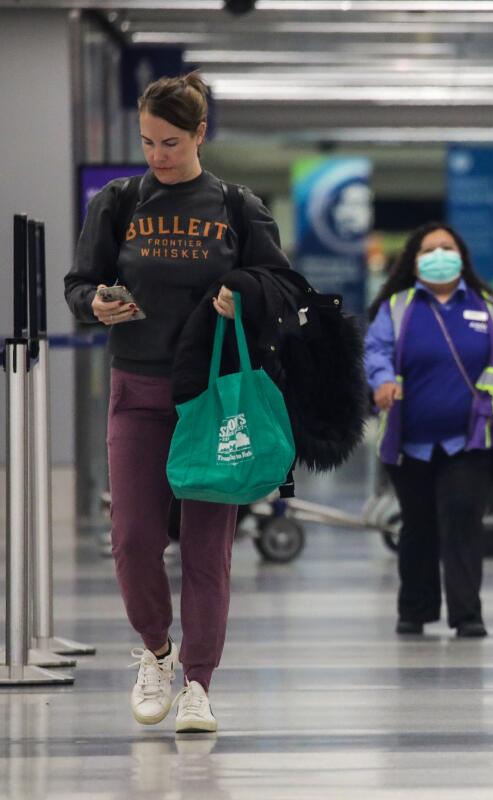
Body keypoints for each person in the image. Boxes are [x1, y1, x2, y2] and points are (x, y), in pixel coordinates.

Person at [63, 72, 291, 734]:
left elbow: (279, 285)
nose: (156, 156)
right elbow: (81, 283)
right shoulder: (119, 201)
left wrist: (242, 294)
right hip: (135, 389)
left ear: (198, 134)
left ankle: (198, 682)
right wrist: (95, 304)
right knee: (133, 539)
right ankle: (155, 652)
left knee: (206, 550)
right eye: (146, 142)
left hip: (213, 399)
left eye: (168, 142)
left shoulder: (236, 205)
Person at [364, 222, 493, 639]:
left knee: (462, 519)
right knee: (417, 526)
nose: (439, 255)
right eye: (429, 249)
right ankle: (415, 609)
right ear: (415, 261)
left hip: (473, 439)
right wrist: (381, 380)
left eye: (447, 247)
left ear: (462, 257)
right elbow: (376, 349)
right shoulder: (398, 307)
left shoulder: (491, 305)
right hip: (410, 442)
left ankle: (467, 613)